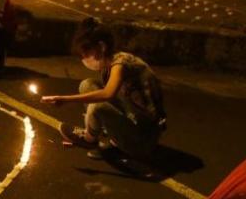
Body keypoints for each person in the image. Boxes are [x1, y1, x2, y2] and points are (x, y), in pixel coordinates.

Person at [41, 18, 165, 160]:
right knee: (87, 85)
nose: (85, 59)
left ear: (101, 47)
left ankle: (89, 140)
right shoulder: (111, 62)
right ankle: (107, 137)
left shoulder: (120, 65)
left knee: (97, 105)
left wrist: (64, 99)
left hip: (142, 140)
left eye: (87, 54)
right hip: (132, 120)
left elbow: (107, 94)